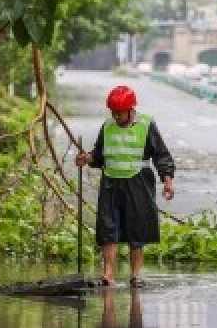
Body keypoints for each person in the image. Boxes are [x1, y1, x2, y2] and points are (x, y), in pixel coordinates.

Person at [75, 85, 175, 287]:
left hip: (138, 182)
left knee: (136, 231)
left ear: (130, 109)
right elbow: (99, 155)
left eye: (119, 113)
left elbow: (161, 155)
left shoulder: (146, 124)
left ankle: (136, 276)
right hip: (111, 183)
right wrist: (87, 158)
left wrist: (167, 180)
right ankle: (108, 275)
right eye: (113, 112)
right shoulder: (108, 126)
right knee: (107, 229)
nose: (116, 117)